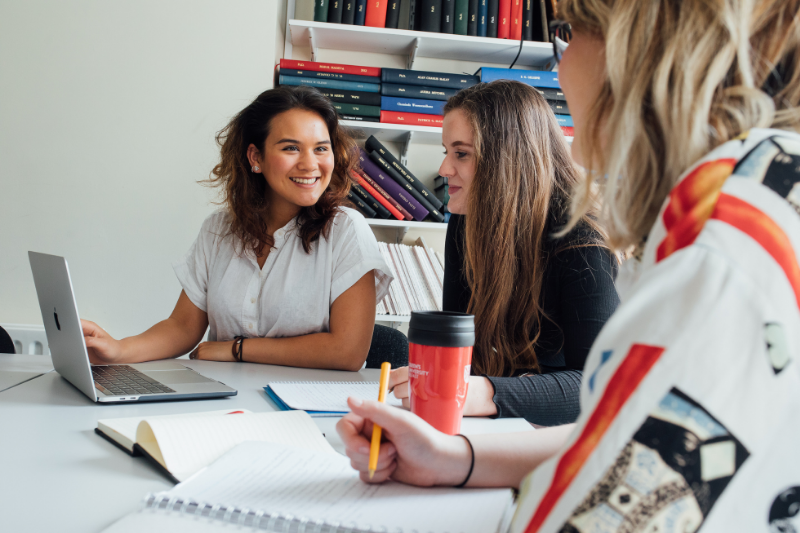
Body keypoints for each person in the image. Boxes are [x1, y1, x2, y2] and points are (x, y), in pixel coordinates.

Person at [338, 0, 800, 530]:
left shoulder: (731, 230)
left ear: (636, 49)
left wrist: (477, 407)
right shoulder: (719, 203)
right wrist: (455, 459)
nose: (558, 64)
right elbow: (621, 427)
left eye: (566, 33)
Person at [81, 86, 392, 371]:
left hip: (307, 412)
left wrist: (237, 350)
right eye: (291, 148)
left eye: (321, 149)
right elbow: (183, 326)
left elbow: (347, 351)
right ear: (255, 157)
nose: (310, 164)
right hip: (225, 400)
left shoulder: (347, 231)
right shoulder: (219, 230)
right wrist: (117, 350)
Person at [388, 81, 619, 426]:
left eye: (461, 153)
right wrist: (433, 375)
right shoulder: (465, 223)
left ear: (509, 160)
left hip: (556, 436)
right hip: (496, 424)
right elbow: (461, 348)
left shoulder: (583, 245)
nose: (444, 170)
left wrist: (478, 392)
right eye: (445, 152)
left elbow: (598, 388)